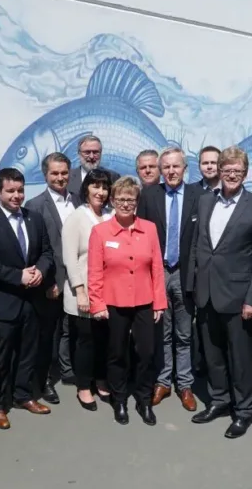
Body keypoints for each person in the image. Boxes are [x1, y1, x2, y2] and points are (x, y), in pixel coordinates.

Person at [187, 146, 252, 439]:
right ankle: (220, 400)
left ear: (245, 173)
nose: (232, 174)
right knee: (213, 354)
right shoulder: (205, 201)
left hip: (238, 298)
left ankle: (244, 411)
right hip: (207, 293)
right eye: (227, 169)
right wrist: (193, 287)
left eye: (237, 170)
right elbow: (197, 246)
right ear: (219, 171)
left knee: (241, 359)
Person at [0, 168, 55, 430]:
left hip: (32, 300)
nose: (16, 196)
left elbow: (47, 252)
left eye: (20, 190)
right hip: (3, 302)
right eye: (10, 191)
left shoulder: (35, 218)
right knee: (0, 357)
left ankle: (23, 395)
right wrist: (18, 276)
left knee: (28, 352)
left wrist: (41, 271)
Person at [88, 176, 167, 426]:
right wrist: (97, 304)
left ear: (137, 202)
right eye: (120, 199)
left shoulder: (149, 229)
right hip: (114, 302)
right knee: (117, 353)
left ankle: (144, 400)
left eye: (130, 199)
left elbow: (157, 268)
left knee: (146, 352)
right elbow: (94, 271)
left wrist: (159, 302)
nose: (125, 204)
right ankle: (119, 399)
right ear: (112, 201)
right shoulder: (100, 232)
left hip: (144, 300)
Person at [137, 148, 203, 412]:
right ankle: (163, 381)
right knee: (161, 332)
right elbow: (141, 236)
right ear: (160, 170)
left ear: (185, 168)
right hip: (159, 272)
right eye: (166, 167)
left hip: (186, 273)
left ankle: (185, 384)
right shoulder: (149, 196)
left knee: (184, 333)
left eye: (176, 166)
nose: (171, 171)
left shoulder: (200, 196)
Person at [26, 153, 81, 404]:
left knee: (72, 329)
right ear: (45, 175)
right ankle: (44, 380)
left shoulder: (79, 200)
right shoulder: (35, 205)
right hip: (52, 283)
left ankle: (68, 370)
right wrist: (49, 282)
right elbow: (35, 249)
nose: (60, 177)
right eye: (54, 173)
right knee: (47, 334)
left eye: (64, 172)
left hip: (77, 279)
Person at [61, 169, 114, 410]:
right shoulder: (76, 217)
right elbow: (70, 258)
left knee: (105, 340)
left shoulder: (111, 215)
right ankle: (84, 386)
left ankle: (101, 380)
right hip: (82, 292)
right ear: (86, 189)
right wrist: (80, 291)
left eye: (104, 187)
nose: (100, 192)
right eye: (95, 186)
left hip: (107, 292)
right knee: (86, 341)